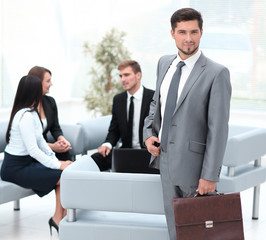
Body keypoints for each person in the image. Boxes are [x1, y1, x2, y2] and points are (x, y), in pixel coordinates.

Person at [143, 8, 231, 240]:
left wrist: (210, 175)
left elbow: (218, 130)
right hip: (164, 160)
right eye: (182, 32)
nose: (188, 38)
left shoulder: (216, 73)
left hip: (195, 168)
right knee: (174, 228)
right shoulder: (164, 63)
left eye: (194, 32)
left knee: (199, 232)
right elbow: (156, 105)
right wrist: (148, 134)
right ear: (172, 33)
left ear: (202, 33)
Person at [0, 75, 72, 235]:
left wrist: (59, 161)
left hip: (25, 164)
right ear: (33, 91)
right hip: (14, 168)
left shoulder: (32, 114)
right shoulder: (24, 116)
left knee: (65, 173)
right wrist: (58, 165)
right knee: (62, 175)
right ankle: (58, 219)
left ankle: (59, 218)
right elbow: (33, 150)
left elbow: (41, 143)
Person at [91, 60, 155, 171]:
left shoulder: (153, 97)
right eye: (121, 76)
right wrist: (107, 144)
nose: (123, 79)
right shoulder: (118, 100)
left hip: (148, 153)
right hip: (126, 152)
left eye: (126, 75)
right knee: (94, 159)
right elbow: (114, 130)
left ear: (138, 75)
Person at [28, 66, 72, 161]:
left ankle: (70, 175)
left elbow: (55, 128)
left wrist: (62, 139)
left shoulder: (50, 101)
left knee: (65, 153)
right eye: (48, 81)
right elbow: (30, 141)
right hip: (32, 152)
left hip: (45, 147)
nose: (51, 84)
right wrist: (52, 147)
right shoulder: (26, 107)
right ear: (37, 83)